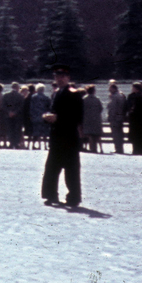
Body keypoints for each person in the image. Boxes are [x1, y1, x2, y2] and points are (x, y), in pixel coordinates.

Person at [40, 65, 85, 207]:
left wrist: (58, 118)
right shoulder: (56, 93)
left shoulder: (74, 94)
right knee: (52, 167)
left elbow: (78, 116)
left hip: (69, 137)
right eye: (57, 77)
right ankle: (50, 194)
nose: (59, 79)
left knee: (71, 169)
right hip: (56, 136)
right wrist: (46, 117)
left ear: (68, 78)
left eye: (62, 77)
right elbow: (53, 110)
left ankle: (73, 197)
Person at [81, 84, 103, 152]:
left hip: (87, 119)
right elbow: (101, 108)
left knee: (89, 134)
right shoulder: (97, 99)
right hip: (96, 118)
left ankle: (92, 148)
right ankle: (97, 148)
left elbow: (81, 109)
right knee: (96, 134)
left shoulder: (84, 99)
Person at [106, 80, 127, 153]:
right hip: (119, 117)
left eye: (110, 89)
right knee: (119, 134)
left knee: (116, 134)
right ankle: (119, 148)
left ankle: (118, 149)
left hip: (115, 118)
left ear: (113, 88)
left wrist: (110, 117)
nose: (109, 90)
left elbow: (114, 108)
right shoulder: (120, 95)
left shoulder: (115, 96)